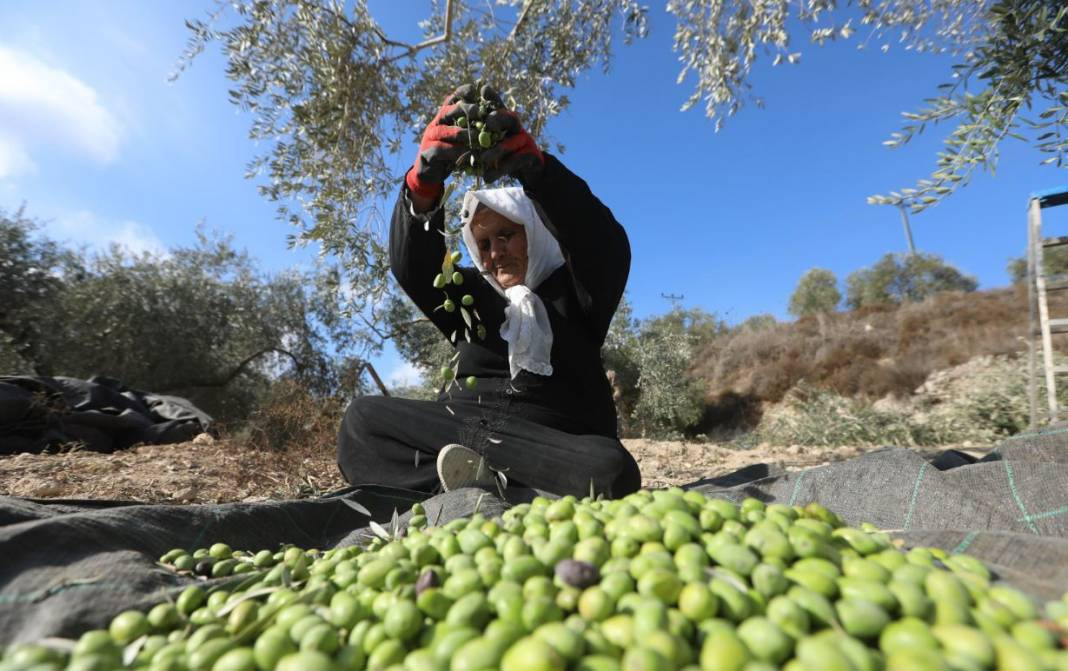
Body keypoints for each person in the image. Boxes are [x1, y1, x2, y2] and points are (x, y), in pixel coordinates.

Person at [337, 85, 640, 498]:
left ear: (533, 233)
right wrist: (422, 187)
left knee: (609, 467)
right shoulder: (469, 299)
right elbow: (415, 268)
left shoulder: (575, 291)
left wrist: (538, 172)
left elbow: (602, 245)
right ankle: (494, 484)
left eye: (506, 235)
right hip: (463, 430)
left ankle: (475, 485)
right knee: (361, 420)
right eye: (483, 244)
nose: (495, 252)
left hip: (554, 445)